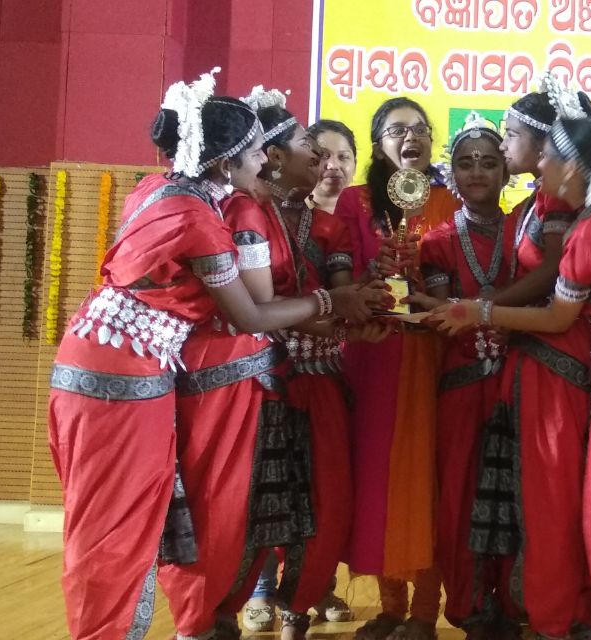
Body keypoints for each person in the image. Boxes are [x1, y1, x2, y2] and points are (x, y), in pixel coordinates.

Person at [48, 69, 385, 640]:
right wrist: (333, 301)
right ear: (226, 163)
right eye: (258, 154)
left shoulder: (159, 190)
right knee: (123, 526)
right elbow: (251, 314)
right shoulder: (204, 217)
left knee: (130, 519)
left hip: (114, 363)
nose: (266, 164)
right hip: (127, 374)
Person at [428, 108, 591, 640]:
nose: (537, 164)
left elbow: (557, 317)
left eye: (546, 154)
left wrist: (479, 311)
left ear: (571, 168)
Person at [460, 77, 591, 639]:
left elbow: (552, 273)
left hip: (554, 356)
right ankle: (542, 609)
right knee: (533, 489)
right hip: (531, 354)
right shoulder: (534, 201)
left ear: (546, 141)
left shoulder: (558, 201)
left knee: (549, 492)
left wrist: (481, 308)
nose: (503, 145)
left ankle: (556, 617)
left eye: (511, 134)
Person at [335, 96, 458, 640]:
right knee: (376, 480)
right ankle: (389, 607)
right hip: (372, 354)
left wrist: (427, 280)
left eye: (420, 129)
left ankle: (425, 611)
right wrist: (373, 270)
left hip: (431, 355)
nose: (411, 137)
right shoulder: (354, 203)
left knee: (425, 478)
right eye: (397, 129)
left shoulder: (449, 202)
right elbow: (338, 281)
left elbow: (458, 280)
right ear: (378, 143)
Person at [242, 116, 362, 633]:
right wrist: (324, 309)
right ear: (273, 157)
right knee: (258, 490)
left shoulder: (331, 228)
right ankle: (254, 592)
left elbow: (343, 301)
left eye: (331, 155)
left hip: (318, 375)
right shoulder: (245, 215)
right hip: (258, 380)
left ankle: (299, 604)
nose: (320, 161)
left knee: (323, 495)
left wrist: (360, 309)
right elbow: (248, 306)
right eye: (310, 149)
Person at [408, 112, 522, 638]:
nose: (477, 172)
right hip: (460, 384)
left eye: (489, 162)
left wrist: (467, 308)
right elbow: (437, 311)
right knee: (460, 496)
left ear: (506, 172)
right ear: (451, 174)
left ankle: (517, 603)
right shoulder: (437, 240)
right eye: (466, 163)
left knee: (518, 491)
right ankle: (470, 607)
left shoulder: (524, 230)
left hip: (519, 380)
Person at [309, 119, 359, 213]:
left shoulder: (371, 211)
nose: (333, 165)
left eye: (343, 157)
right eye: (323, 155)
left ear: (355, 165)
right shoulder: (289, 214)